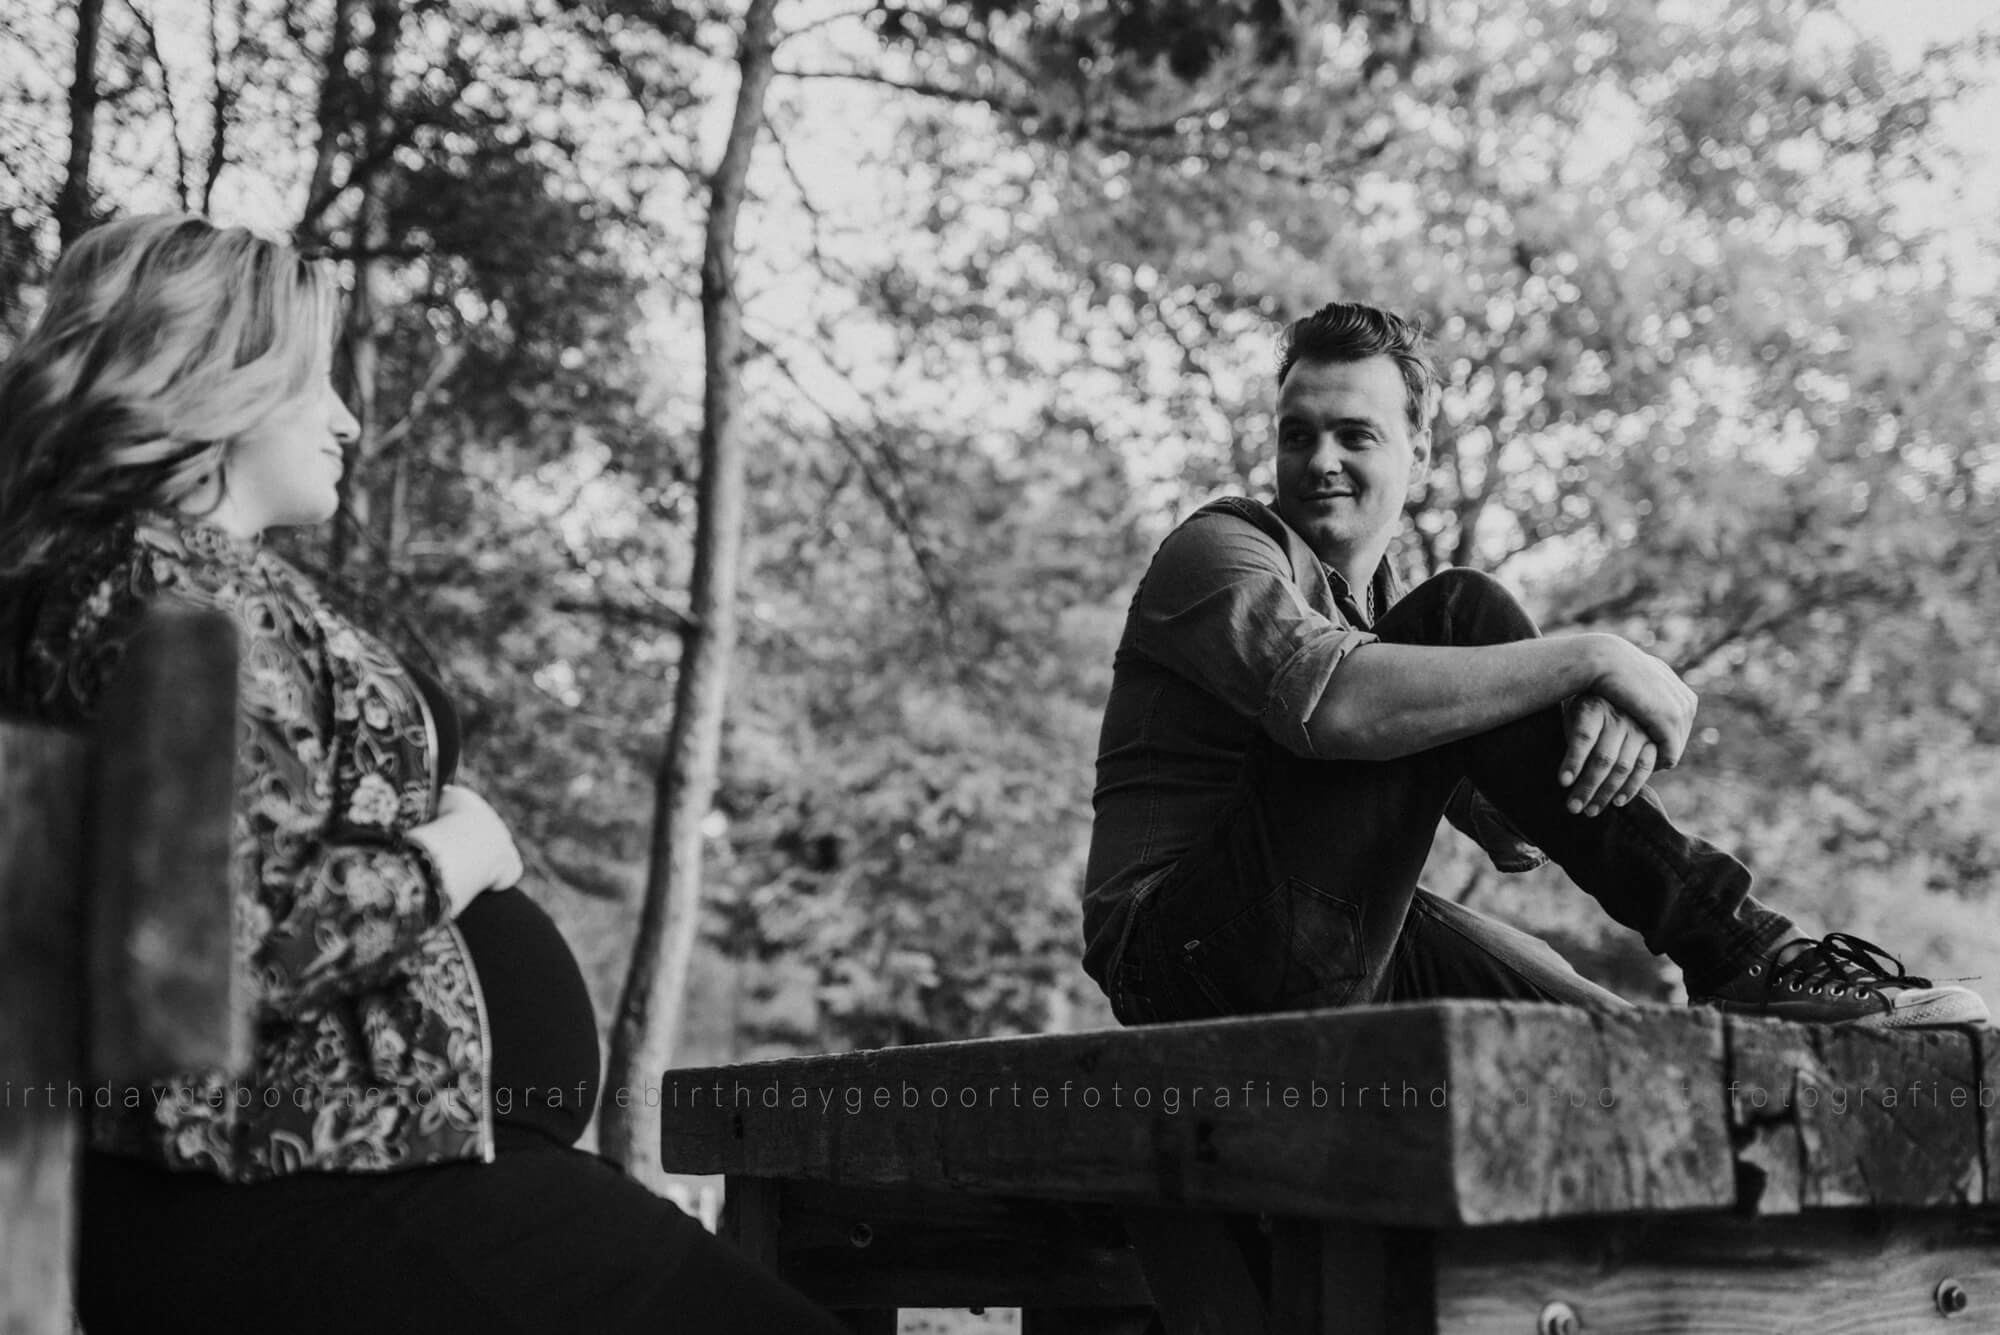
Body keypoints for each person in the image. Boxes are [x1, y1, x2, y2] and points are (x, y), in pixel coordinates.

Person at [0, 214, 853, 1334]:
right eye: (316, 381)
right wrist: (456, 855)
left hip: (335, 1177)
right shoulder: (170, 593)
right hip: (295, 1190)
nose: (347, 419)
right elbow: (215, 953)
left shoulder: (134, 581)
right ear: (221, 380)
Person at [1081, 300, 1988, 1031]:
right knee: (1462, 610)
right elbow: (1334, 708)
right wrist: (1591, 658)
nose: (1320, 460)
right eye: (1297, 434)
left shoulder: (1380, 615)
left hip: (1321, 926)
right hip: (1180, 953)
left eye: (1354, 434)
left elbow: (1509, 823)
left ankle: (1766, 1010)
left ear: (1418, 450)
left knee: (1605, 1035)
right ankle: (1746, 950)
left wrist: (1563, 728)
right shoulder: (1220, 552)